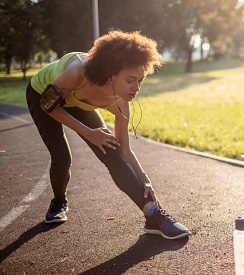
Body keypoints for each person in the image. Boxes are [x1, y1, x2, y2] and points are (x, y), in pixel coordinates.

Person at [26, 30, 190, 240]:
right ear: (110, 74)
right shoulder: (77, 72)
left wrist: (144, 179)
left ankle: (153, 215)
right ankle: (59, 201)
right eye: (130, 80)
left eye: (140, 80)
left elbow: (124, 149)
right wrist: (88, 133)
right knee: (62, 157)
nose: (136, 87)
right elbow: (48, 105)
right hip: (44, 96)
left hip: (78, 102)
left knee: (112, 151)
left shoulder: (122, 103)